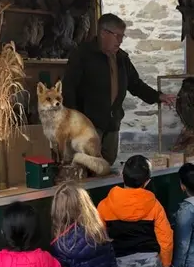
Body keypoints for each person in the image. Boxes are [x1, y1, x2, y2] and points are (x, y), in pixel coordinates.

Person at [61, 13, 176, 165]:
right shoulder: (82, 55)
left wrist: (158, 96)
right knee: (86, 165)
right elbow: (68, 88)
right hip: (87, 125)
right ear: (103, 33)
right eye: (117, 36)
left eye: (122, 36)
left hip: (112, 124)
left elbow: (136, 84)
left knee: (107, 164)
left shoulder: (122, 58)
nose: (120, 41)